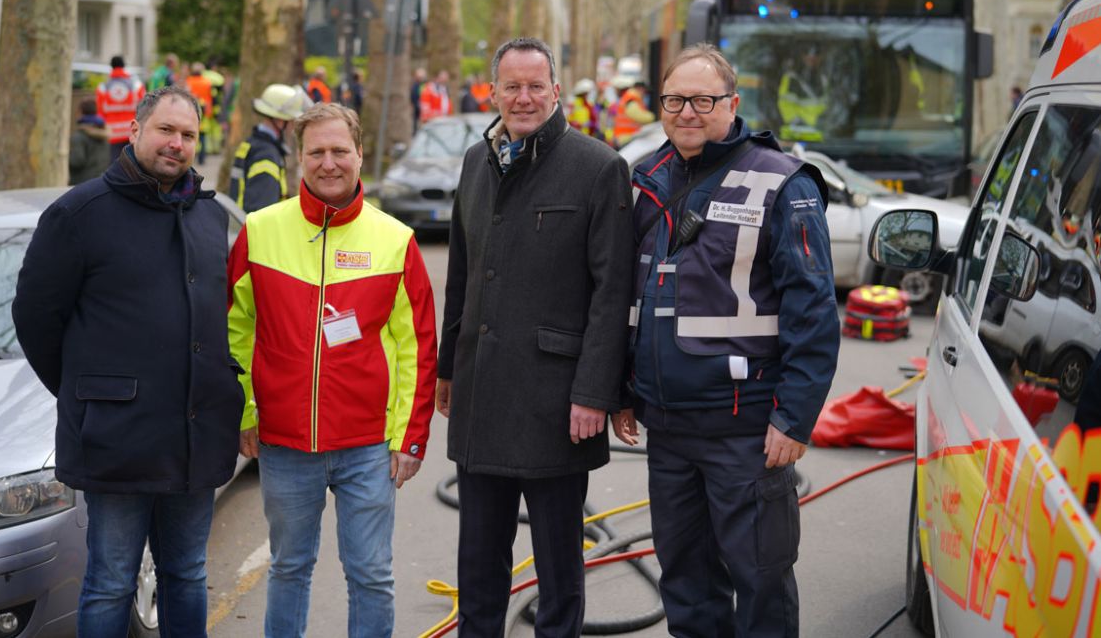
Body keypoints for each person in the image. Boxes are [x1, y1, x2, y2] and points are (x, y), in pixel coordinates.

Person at [612, 44, 839, 636]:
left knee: (760, 580)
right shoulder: (648, 179)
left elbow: (813, 311)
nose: (688, 112)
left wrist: (794, 419)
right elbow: (626, 295)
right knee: (685, 580)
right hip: (667, 430)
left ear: (732, 104)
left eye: (703, 100)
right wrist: (622, 388)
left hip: (746, 431)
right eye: (674, 100)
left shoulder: (783, 182)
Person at [12, 86, 244, 638]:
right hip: (116, 438)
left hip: (194, 434)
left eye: (188, 135)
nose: (177, 144)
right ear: (135, 130)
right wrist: (88, 393)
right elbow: (36, 319)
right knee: (112, 580)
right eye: (166, 130)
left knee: (187, 574)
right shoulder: (78, 213)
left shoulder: (210, 219)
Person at [437, 37, 635, 635]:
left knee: (557, 567)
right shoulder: (477, 160)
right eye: (511, 87)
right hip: (482, 395)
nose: (523, 98)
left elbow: (612, 293)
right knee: (478, 562)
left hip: (557, 403)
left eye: (535, 86)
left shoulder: (598, 167)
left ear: (555, 90)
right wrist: (448, 369)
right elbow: (463, 274)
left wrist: (595, 392)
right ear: (492, 91)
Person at [227, 102, 438, 637]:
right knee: (289, 569)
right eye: (316, 151)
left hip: (368, 446)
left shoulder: (395, 240)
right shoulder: (259, 230)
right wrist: (244, 412)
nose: (328, 163)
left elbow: (417, 347)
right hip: (284, 444)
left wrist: (409, 438)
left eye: (339, 151)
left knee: (370, 574)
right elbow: (234, 331)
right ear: (298, 157)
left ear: (360, 155)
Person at [228, 83, 312, 213]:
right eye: (291, 120)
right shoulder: (266, 155)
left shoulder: (252, 143)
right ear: (279, 120)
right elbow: (263, 210)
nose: (292, 126)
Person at [96, 55, 146, 162]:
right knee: (134, 165)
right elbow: (144, 107)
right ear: (124, 66)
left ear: (111, 66)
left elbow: (99, 112)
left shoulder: (103, 87)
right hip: (132, 132)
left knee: (115, 166)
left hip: (112, 134)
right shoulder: (135, 85)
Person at [69, 96, 110, 184]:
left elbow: (77, 161)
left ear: (80, 112)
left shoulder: (79, 136)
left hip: (81, 182)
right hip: (100, 181)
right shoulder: (104, 134)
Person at [610, 74, 653, 146]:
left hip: (624, 138)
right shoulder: (631, 100)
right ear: (640, 89)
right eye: (644, 91)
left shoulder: (628, 98)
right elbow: (641, 117)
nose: (645, 93)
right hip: (627, 139)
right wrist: (653, 116)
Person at [410, 67, 427, 131]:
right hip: (417, 109)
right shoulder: (414, 86)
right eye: (419, 77)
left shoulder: (426, 85)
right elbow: (413, 97)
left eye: (422, 77)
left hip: (425, 110)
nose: (421, 78)